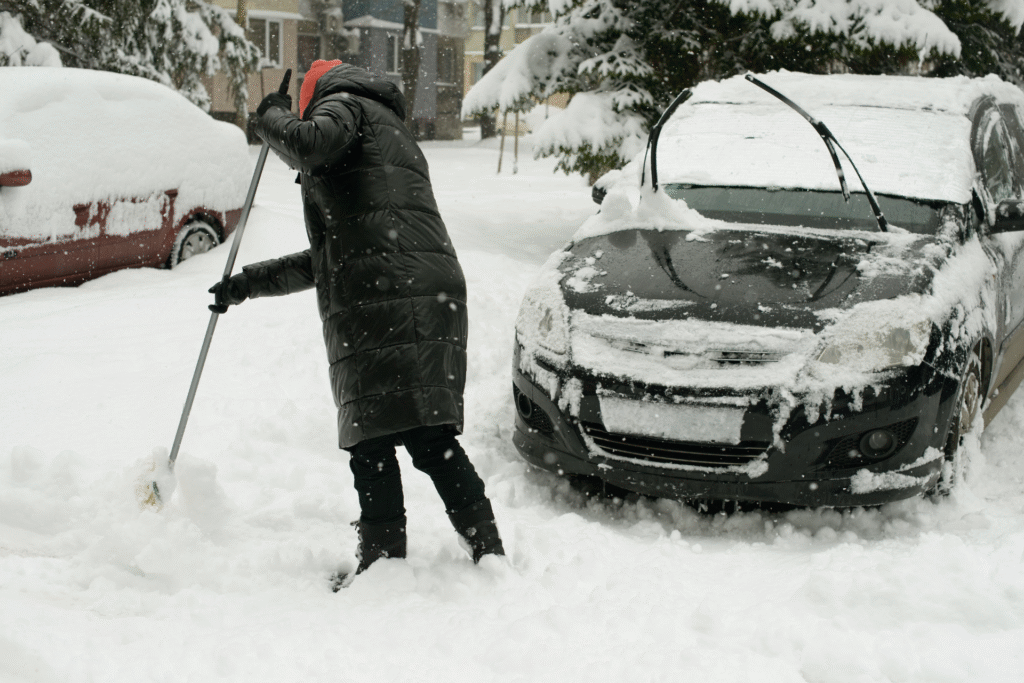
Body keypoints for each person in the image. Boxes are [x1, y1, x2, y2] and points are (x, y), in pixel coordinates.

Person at [209, 60, 505, 583]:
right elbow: (331, 258)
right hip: (415, 286)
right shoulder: (382, 128)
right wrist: (246, 283)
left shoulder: (345, 105)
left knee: (374, 441)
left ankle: (385, 565)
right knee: (425, 434)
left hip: (387, 292)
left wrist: (270, 117)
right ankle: (487, 552)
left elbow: (309, 142)